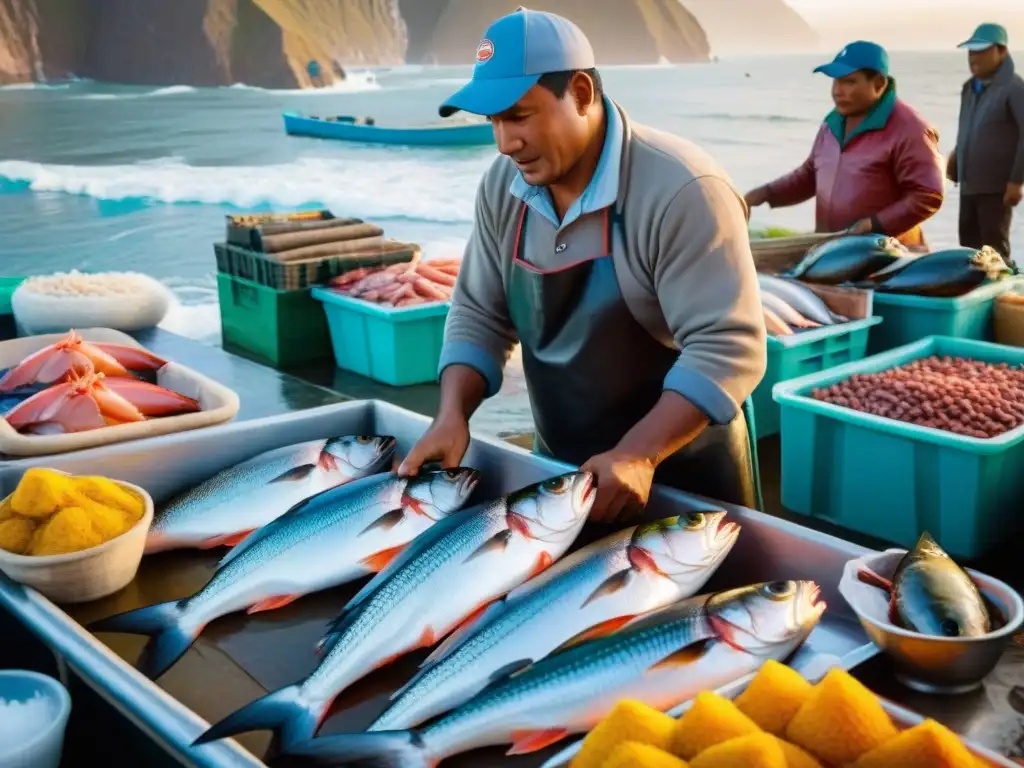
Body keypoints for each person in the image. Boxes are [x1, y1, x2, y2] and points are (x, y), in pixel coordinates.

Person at [397, 8, 766, 521]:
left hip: (687, 485)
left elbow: (727, 349)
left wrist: (638, 454)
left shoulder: (682, 189)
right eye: (493, 122)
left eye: (519, 115)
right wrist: (451, 416)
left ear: (582, 93)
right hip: (563, 475)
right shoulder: (504, 189)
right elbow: (479, 314)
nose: (505, 143)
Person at [745, 42, 945, 250]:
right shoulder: (831, 124)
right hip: (833, 251)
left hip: (888, 257)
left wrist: (875, 225)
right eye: (835, 81)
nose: (838, 91)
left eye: (849, 82)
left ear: (879, 83)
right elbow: (810, 175)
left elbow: (927, 195)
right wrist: (764, 193)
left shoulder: (910, 129)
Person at [948, 23, 1024, 261]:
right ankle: (973, 295)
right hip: (969, 185)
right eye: (971, 52)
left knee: (994, 250)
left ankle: (1003, 294)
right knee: (969, 250)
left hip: (996, 189)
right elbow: (967, 130)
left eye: (981, 51)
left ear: (1002, 51)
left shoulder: (1014, 88)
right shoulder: (969, 88)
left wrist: (1016, 181)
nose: (973, 57)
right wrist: (955, 159)